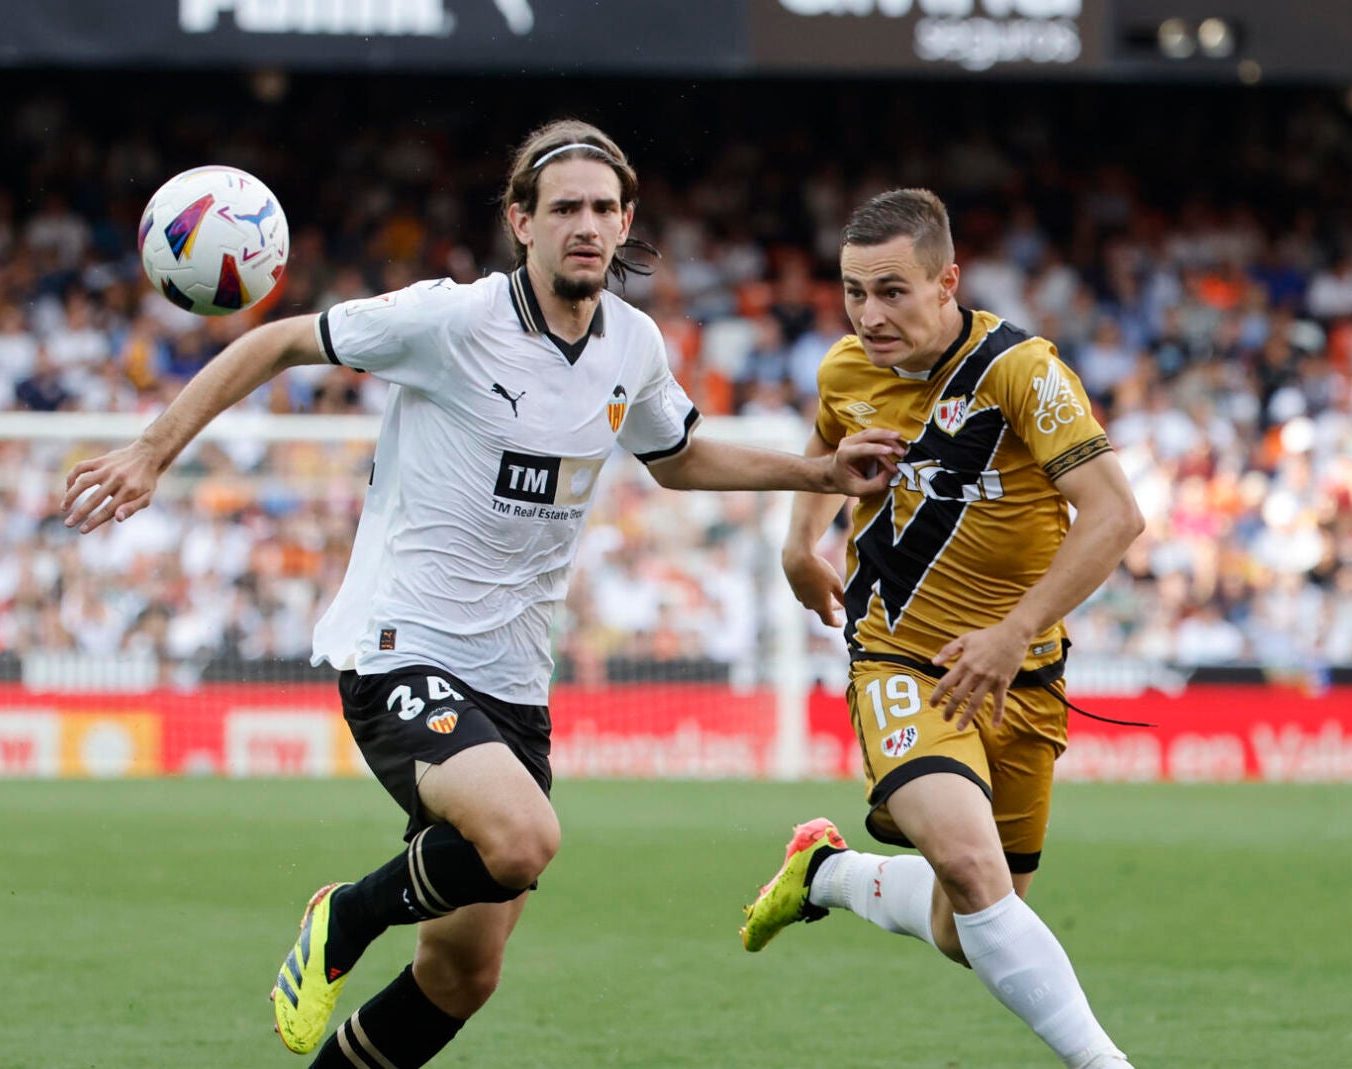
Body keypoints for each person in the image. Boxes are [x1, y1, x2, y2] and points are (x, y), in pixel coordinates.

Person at [60, 119, 904, 1069]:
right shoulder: (451, 320)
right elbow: (280, 343)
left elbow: (680, 459)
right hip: (402, 647)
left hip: (513, 681)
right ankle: (345, 914)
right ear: (521, 221)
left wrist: (824, 472)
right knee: (522, 837)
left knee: (462, 973)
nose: (585, 225)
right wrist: (151, 450)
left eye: (602, 208)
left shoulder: (633, 344)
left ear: (626, 221)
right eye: (563, 209)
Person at [739, 189, 1145, 1069]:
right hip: (897, 652)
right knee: (969, 866)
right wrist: (797, 542)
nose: (869, 316)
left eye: (891, 291)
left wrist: (1016, 629)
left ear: (947, 280)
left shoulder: (1020, 371)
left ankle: (828, 874)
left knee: (967, 927)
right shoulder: (846, 368)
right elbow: (828, 450)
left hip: (1019, 672)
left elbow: (1114, 515)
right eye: (853, 292)